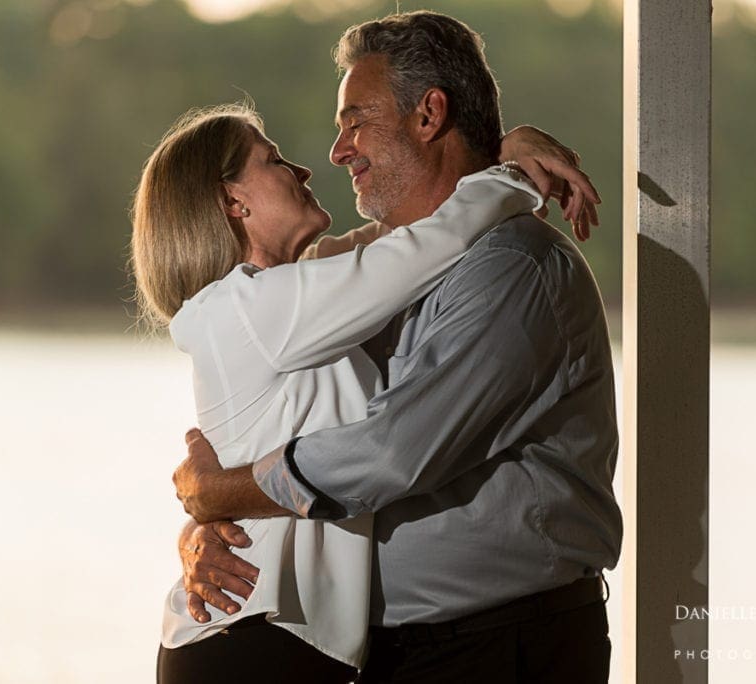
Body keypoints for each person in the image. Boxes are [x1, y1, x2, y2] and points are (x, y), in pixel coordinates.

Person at [173, 11, 622, 684]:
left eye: (356, 121)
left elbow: (391, 452)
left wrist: (223, 494)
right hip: (387, 656)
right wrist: (206, 522)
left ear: (428, 115)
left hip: (500, 649)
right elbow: (255, 410)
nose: (338, 151)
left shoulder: (511, 270)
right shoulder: (365, 269)